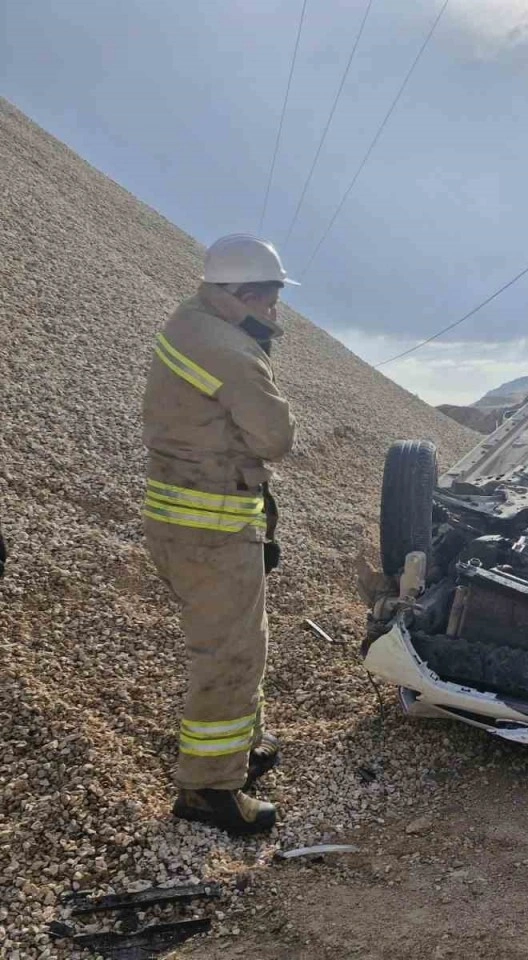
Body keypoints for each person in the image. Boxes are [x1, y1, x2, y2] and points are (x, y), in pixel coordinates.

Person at [142, 234, 297, 835]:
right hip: (213, 530)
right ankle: (208, 789)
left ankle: (236, 755)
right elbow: (274, 438)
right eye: (273, 299)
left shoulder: (189, 321)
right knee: (228, 653)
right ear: (247, 293)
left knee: (241, 642)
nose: (277, 311)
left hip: (189, 521)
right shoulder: (230, 349)